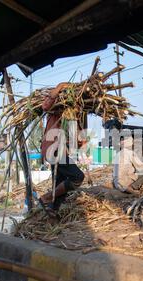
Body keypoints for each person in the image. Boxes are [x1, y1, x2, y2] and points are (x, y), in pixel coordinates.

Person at [38, 83, 85, 214]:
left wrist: (79, 140)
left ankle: (51, 210)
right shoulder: (57, 109)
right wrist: (59, 87)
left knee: (61, 182)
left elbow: (77, 140)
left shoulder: (74, 116)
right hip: (53, 150)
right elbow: (45, 106)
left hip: (60, 151)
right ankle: (47, 197)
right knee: (77, 177)